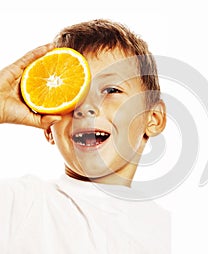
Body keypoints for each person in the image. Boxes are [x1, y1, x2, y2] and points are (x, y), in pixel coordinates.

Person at [0, 19, 170, 253]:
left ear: (154, 118)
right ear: (49, 128)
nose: (85, 107)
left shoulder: (167, 230)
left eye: (110, 90)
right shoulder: (19, 204)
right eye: (72, 95)